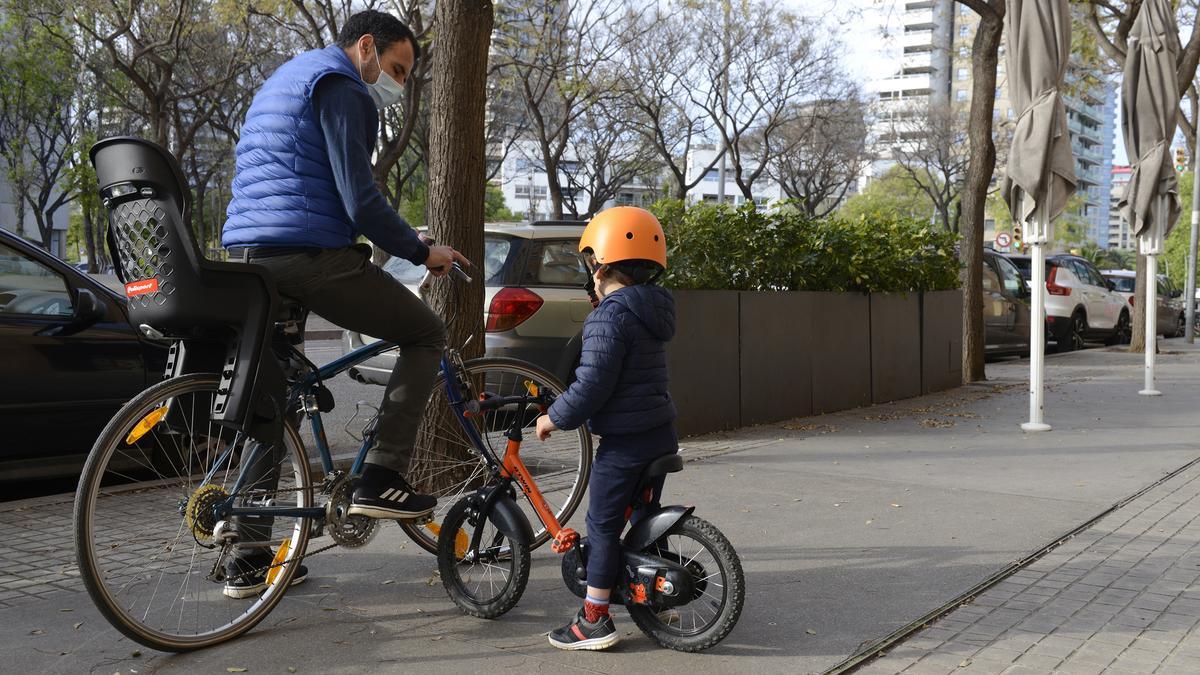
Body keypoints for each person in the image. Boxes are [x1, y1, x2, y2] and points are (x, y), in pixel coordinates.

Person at [219, 10, 468, 598]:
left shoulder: (288, 78)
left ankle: (248, 556)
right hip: (308, 256)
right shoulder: (342, 87)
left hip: (250, 258)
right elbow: (360, 201)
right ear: (365, 49)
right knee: (425, 333)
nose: (399, 85)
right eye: (397, 69)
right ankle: (380, 476)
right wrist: (418, 249)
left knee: (271, 407)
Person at [534, 206, 679, 650]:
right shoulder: (653, 310)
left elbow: (592, 384)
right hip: (660, 434)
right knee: (642, 517)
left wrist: (554, 416)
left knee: (600, 525)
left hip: (625, 444)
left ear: (600, 264)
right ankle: (657, 598)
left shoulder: (608, 316)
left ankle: (594, 619)